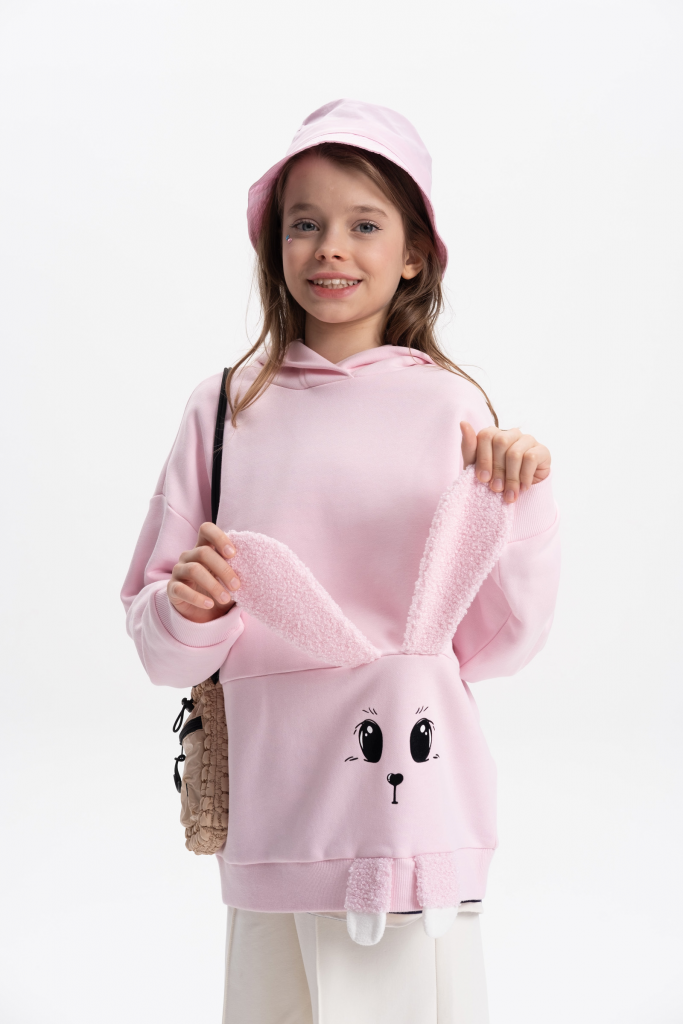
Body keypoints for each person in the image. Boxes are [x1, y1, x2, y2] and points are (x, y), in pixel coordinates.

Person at [122, 98, 560, 1024]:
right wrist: (189, 611)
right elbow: (158, 641)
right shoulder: (222, 411)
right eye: (304, 224)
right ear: (274, 244)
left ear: (413, 254)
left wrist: (521, 500)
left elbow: (499, 647)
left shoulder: (453, 409)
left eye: (365, 225)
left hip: (408, 818)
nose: (331, 248)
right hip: (276, 820)